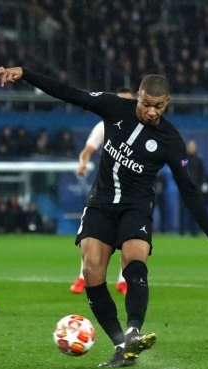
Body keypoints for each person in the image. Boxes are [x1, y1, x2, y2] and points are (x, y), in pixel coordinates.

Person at [0, 66, 208, 367]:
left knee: (134, 260)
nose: (152, 111)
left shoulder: (171, 140)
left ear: (167, 102)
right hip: (101, 204)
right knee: (92, 271)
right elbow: (69, 93)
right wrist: (25, 74)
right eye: (146, 103)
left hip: (136, 207)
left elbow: (188, 188)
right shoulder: (115, 107)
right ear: (138, 96)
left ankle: (133, 331)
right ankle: (121, 345)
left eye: (158, 106)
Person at [71, 88, 134, 295]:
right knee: (91, 230)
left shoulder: (141, 127)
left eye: (128, 101)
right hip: (105, 187)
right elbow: (88, 150)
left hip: (131, 188)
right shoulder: (104, 125)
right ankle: (83, 277)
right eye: (120, 101)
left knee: (128, 233)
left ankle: (123, 280)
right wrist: (82, 163)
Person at [179, 140, 208, 236]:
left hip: (195, 189)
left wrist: (202, 184)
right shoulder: (184, 159)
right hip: (184, 189)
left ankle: (194, 231)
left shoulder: (198, 159)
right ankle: (182, 232)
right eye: (189, 146)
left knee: (195, 211)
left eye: (193, 146)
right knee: (183, 211)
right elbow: (179, 171)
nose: (191, 148)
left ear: (195, 148)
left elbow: (202, 174)